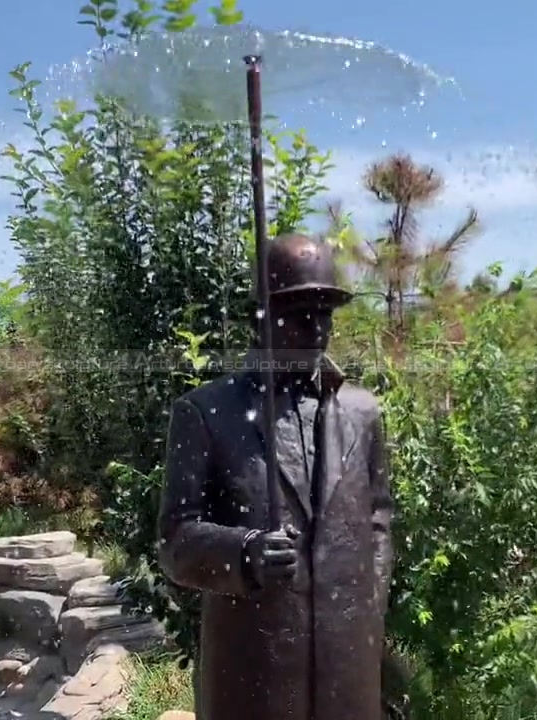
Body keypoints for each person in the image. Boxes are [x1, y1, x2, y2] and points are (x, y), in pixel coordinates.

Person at [157, 233, 393, 720]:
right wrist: (242, 553)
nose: (317, 327)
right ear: (259, 319)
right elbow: (174, 542)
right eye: (298, 311)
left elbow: (380, 519)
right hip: (254, 675)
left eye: (325, 311)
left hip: (347, 671)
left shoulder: (362, 412)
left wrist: (366, 600)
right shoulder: (206, 413)